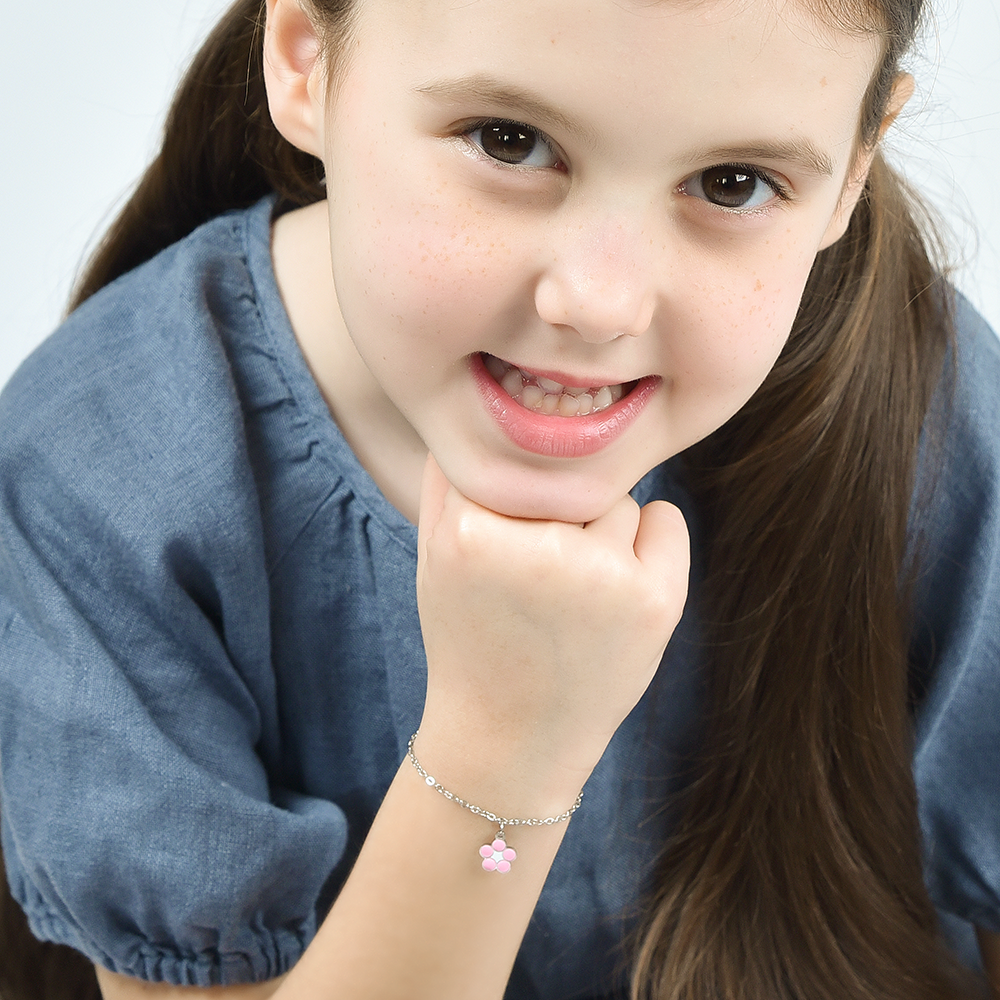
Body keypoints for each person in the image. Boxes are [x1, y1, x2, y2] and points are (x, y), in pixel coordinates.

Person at [0, 0, 998, 997]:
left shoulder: (919, 399)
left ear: (853, 166)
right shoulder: (97, 484)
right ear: (306, 61)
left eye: (731, 183)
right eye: (509, 141)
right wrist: (504, 747)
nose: (599, 301)